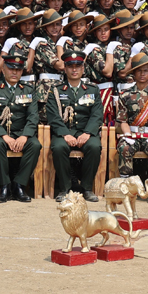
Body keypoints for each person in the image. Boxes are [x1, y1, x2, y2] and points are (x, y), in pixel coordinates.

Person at [0, 54, 41, 203]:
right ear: (3, 69)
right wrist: (5, 136)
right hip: (0, 133)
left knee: (35, 145)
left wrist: (25, 135)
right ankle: (4, 186)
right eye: (11, 69)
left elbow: (33, 116)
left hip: (21, 133)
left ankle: (19, 185)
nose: (15, 72)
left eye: (19, 69)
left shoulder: (28, 90)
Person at [47, 51, 104, 202]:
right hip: (64, 132)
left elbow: (97, 114)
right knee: (58, 148)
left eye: (77, 66)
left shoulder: (92, 90)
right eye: (70, 66)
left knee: (94, 146)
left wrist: (88, 133)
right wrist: (65, 134)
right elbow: (53, 115)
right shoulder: (56, 90)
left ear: (83, 69)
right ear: (65, 69)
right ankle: (65, 189)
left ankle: (86, 188)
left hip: (85, 132)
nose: (74, 70)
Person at [115, 53, 148, 202]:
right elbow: (122, 120)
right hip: (131, 134)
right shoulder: (125, 95)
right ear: (133, 73)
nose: (142, 74)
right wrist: (127, 136)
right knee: (124, 147)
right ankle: (124, 185)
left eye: (145, 70)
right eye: (139, 70)